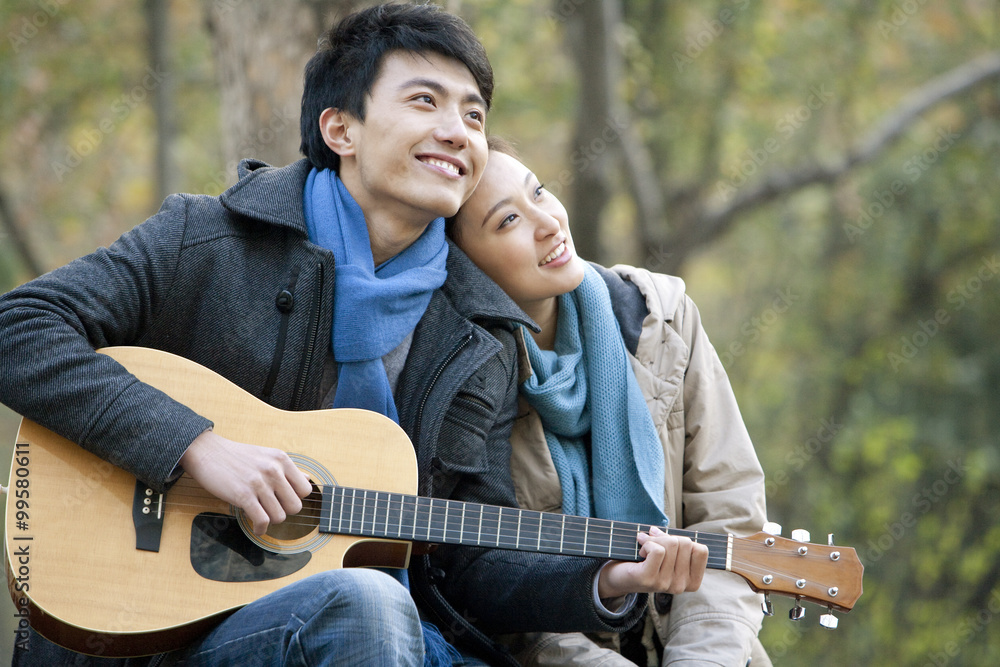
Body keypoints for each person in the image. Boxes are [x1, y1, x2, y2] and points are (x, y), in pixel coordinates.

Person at [0, 5, 709, 666]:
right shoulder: (208, 241)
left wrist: (610, 578)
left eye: (474, 114)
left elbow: (473, 560)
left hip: (382, 630)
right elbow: (19, 329)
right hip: (139, 632)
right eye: (425, 101)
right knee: (368, 605)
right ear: (341, 130)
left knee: (377, 606)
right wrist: (195, 447)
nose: (459, 130)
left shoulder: (477, 335)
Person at [447, 138, 772, 666]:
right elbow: (494, 591)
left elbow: (728, 516)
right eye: (508, 221)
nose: (549, 222)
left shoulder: (662, 322)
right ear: (463, 267)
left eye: (541, 193)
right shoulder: (463, 384)